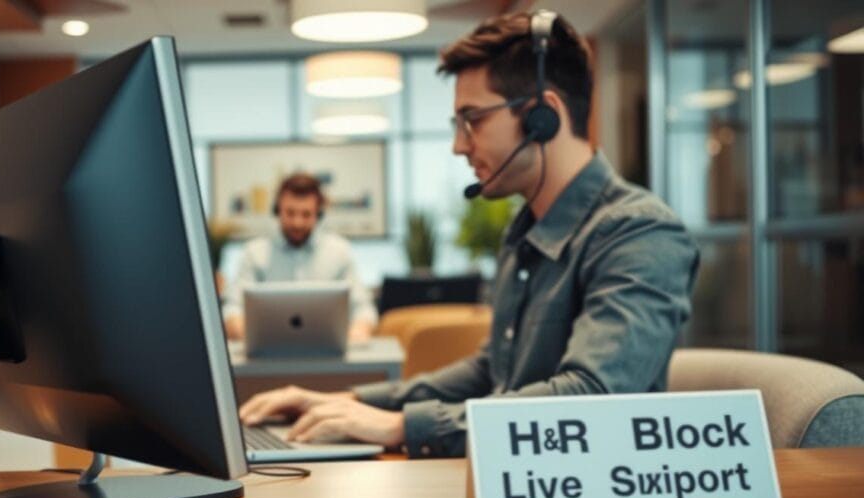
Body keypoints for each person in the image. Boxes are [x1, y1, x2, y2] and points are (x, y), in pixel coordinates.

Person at [239, 10, 699, 458]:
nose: (459, 145)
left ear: (543, 117)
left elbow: (592, 397)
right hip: (513, 480)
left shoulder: (638, 233)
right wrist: (352, 402)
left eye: (472, 119)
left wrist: (400, 427)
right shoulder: (526, 233)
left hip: (586, 495)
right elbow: (490, 371)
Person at [222, 172, 377, 341]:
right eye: (290, 213)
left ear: (318, 214)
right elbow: (232, 307)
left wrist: (356, 333)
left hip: (326, 351)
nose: (297, 222)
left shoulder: (340, 252)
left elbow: (363, 309)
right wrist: (245, 333)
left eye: (306, 214)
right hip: (268, 352)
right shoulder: (254, 253)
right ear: (277, 211)